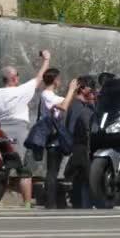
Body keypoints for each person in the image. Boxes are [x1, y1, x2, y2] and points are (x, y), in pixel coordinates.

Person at [0, 50, 51, 208]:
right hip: (18, 130)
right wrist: (47, 59)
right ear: (14, 78)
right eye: (18, 75)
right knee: (23, 168)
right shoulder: (20, 91)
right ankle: (28, 203)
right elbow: (40, 77)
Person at [40, 69, 79, 209]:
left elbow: (67, 102)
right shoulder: (46, 94)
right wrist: (71, 89)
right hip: (52, 137)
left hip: (57, 137)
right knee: (52, 170)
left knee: (55, 169)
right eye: (59, 78)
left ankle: (55, 200)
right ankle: (50, 202)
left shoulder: (52, 95)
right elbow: (63, 106)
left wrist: (74, 91)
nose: (60, 81)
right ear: (55, 80)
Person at [64, 75, 96, 209]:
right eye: (91, 87)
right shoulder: (77, 106)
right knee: (86, 176)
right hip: (80, 146)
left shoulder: (83, 106)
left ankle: (81, 203)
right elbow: (70, 128)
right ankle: (83, 204)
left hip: (81, 146)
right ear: (82, 89)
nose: (94, 90)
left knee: (81, 177)